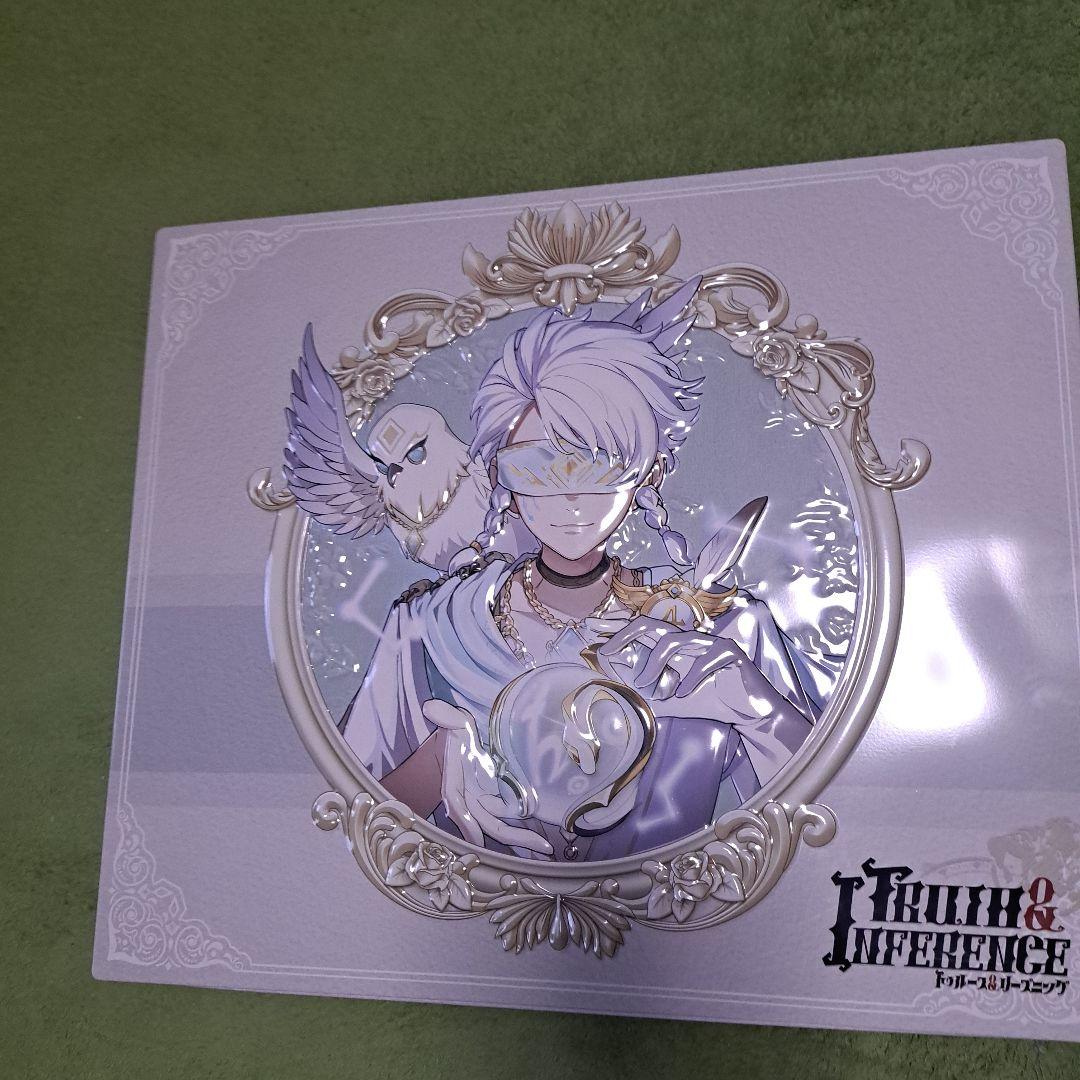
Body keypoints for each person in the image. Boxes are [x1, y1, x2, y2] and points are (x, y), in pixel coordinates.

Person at [340, 279, 820, 861]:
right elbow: (344, 815)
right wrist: (438, 764)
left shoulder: (725, 627)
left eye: (601, 464)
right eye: (537, 466)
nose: (570, 496)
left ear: (650, 472)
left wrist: (756, 708)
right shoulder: (427, 625)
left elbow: (818, 821)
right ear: (497, 474)